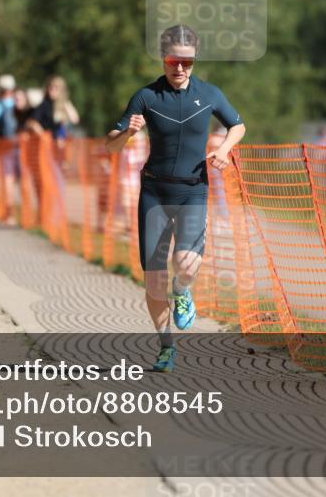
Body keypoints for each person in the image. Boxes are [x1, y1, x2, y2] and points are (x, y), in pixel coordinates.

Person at [106, 24, 245, 373]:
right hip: (155, 192)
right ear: (163, 58)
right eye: (173, 61)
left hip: (193, 190)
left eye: (187, 61)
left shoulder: (209, 93)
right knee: (154, 280)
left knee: (184, 264)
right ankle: (166, 347)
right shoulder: (146, 96)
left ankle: (182, 290)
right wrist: (127, 132)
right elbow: (110, 144)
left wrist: (224, 151)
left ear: (195, 60)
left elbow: (238, 125)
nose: (180, 68)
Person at [26, 75, 80, 230]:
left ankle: (56, 216)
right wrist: (43, 135)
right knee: (50, 181)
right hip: (47, 150)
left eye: (56, 88)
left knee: (59, 181)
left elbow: (75, 119)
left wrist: (65, 102)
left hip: (60, 150)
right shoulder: (44, 105)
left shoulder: (62, 106)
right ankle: (49, 216)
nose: (52, 91)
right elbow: (32, 122)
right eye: (50, 87)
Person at [0, 78, 20, 226]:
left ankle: (10, 213)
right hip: (19, 144)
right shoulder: (18, 103)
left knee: (7, 179)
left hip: (4, 145)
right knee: (17, 180)